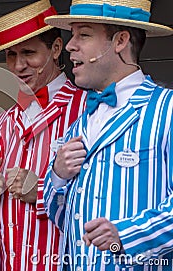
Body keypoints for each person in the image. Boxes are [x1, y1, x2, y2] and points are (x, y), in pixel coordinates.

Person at [42, 0, 173, 270]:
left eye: (84, 34)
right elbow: (62, 217)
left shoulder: (167, 110)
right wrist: (57, 175)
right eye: (72, 34)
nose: (69, 45)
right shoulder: (80, 124)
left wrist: (127, 236)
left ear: (120, 40)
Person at [0, 1, 87, 270]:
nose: (19, 65)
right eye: (11, 55)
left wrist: (41, 192)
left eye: (28, 52)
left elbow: (106, 203)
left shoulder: (88, 111)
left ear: (55, 49)